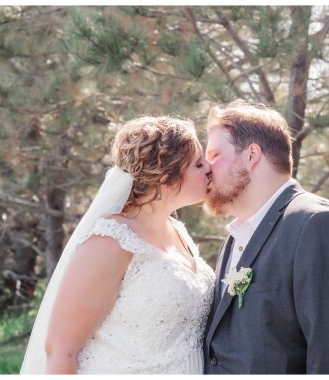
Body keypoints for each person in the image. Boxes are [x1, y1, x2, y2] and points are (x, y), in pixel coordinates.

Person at [20, 116, 215, 374]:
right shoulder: (110, 240)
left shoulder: (177, 231)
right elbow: (60, 349)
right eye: (199, 164)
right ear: (168, 181)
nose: (210, 168)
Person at [203, 99, 329, 374]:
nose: (205, 167)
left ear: (251, 155)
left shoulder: (314, 224)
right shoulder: (235, 238)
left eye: (213, 155)